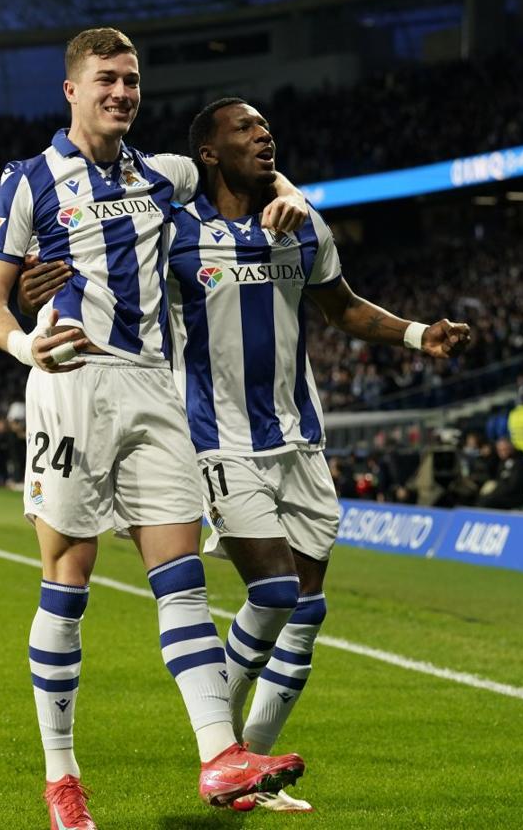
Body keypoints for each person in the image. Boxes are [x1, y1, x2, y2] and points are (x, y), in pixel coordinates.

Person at [0, 28, 310, 827]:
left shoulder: (166, 174)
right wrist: (27, 345)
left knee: (182, 574)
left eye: (130, 80)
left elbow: (247, 166)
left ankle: (221, 758)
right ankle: (62, 777)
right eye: (107, 80)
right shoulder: (26, 182)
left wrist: (290, 191)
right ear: (72, 89)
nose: (122, 92)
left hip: (155, 391)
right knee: (69, 576)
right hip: (72, 385)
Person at [165, 97, 471, 810]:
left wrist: (418, 333)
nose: (264, 134)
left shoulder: (305, 227)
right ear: (208, 152)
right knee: (271, 593)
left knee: (307, 609)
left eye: (267, 126)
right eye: (245, 128)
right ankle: (223, 753)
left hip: (300, 442)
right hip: (220, 441)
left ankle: (255, 771)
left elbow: (344, 307)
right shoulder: (175, 231)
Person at [476, 438, 523, 509]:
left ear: (511, 448)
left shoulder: (518, 464)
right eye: (500, 450)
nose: (502, 452)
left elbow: (512, 486)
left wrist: (493, 492)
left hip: (513, 497)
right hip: (501, 494)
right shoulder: (500, 462)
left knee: (486, 501)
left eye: (505, 449)